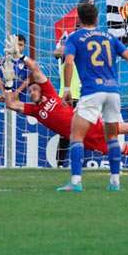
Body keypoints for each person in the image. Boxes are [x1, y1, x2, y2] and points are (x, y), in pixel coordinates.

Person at [4, 57, 128, 169]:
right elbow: (11, 104)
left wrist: (21, 57)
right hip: (85, 138)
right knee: (123, 149)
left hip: (90, 124)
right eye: (30, 91)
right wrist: (8, 83)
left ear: (41, 90)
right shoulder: (35, 111)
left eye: (34, 89)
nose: (32, 92)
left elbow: (35, 70)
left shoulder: (49, 92)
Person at [56, 2, 128, 192]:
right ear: (97, 18)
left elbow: (68, 62)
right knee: (112, 137)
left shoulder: (75, 38)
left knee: (76, 136)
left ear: (79, 19)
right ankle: (115, 181)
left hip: (92, 91)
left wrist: (67, 88)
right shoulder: (109, 37)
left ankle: (75, 182)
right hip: (113, 91)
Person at [53, 28, 81, 167]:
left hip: (83, 96)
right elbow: (56, 52)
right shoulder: (67, 50)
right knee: (65, 133)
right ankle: (59, 163)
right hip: (66, 97)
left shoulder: (83, 55)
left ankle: (80, 163)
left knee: (84, 132)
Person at [0, 34, 30, 102]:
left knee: (20, 111)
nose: (18, 47)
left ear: (24, 47)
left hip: (22, 95)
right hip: (7, 95)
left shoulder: (26, 61)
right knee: (8, 110)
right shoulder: (5, 60)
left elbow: (28, 79)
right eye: (17, 44)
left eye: (21, 45)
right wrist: (3, 93)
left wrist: (17, 92)